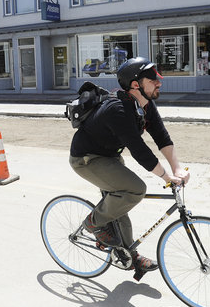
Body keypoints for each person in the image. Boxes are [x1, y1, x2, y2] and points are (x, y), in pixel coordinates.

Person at [69, 57, 190, 271]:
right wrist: (165, 177)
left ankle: (127, 254)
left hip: (110, 156)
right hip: (87, 159)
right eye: (153, 79)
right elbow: (139, 150)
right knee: (134, 189)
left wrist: (177, 168)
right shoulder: (118, 109)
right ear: (136, 85)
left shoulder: (144, 105)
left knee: (119, 205)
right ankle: (93, 223)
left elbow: (161, 137)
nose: (159, 83)